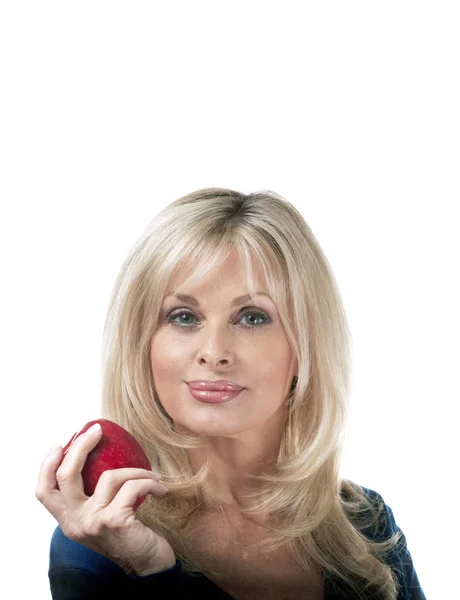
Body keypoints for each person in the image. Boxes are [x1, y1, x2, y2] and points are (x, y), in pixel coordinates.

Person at [36, 188, 426, 599]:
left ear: (306, 343)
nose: (214, 352)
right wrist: (150, 570)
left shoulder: (365, 522)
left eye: (252, 317)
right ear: (142, 343)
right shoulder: (102, 538)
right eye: (183, 316)